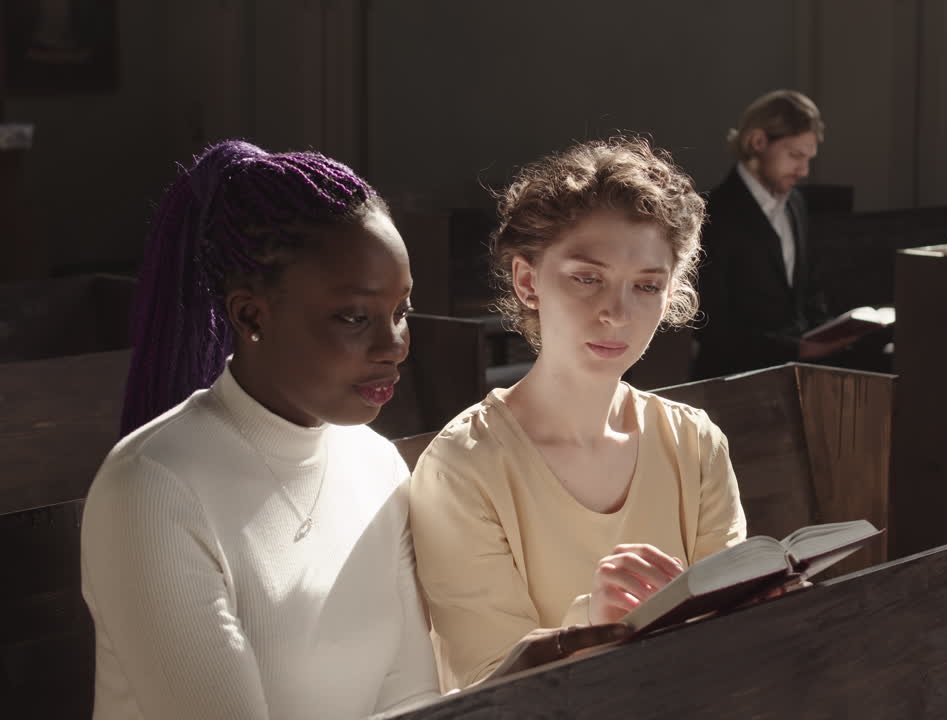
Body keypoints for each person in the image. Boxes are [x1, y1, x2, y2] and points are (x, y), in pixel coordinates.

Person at [81, 139, 437, 719]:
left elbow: (413, 699)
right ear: (251, 315)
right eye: (354, 316)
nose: (393, 346)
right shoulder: (151, 488)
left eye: (401, 310)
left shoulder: (377, 467)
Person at [410, 137, 749, 689]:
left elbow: (729, 644)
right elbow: (482, 684)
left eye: (646, 286)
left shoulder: (694, 442)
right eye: (587, 277)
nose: (616, 313)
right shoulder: (463, 467)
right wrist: (590, 623)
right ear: (528, 282)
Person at [694, 89, 880, 379]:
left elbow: (807, 292)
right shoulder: (714, 214)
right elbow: (712, 327)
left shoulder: (795, 203)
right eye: (795, 155)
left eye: (809, 158)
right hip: (735, 380)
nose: (804, 170)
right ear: (758, 142)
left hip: (795, 374)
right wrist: (796, 349)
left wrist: (831, 333)